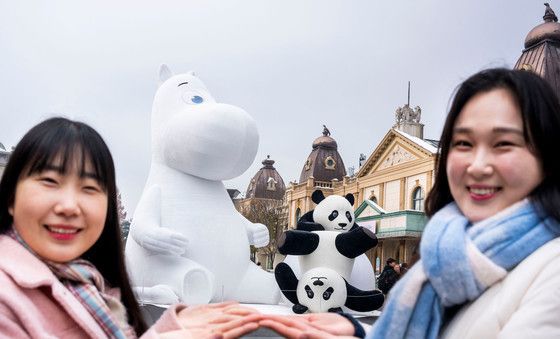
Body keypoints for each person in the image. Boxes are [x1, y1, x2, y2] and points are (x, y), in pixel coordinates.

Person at [0, 117, 363, 338]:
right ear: (11, 194)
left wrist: (172, 328)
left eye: (90, 188)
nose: (69, 205)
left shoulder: (87, 284)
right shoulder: (7, 297)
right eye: (49, 182)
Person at [368, 68, 560, 338]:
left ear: (548, 155)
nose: (478, 166)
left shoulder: (552, 269)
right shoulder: (443, 259)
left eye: (503, 143)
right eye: (464, 143)